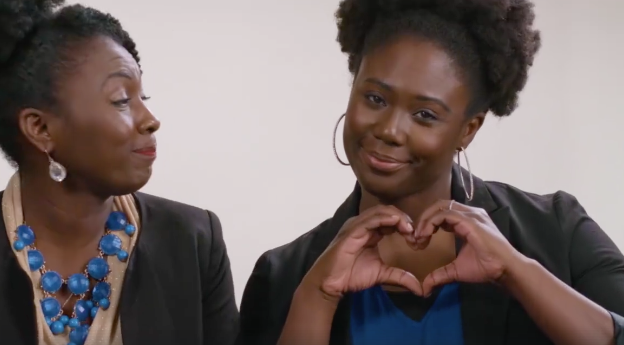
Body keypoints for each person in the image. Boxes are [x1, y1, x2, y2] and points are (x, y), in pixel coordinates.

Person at [238, 0, 624, 344]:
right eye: (375, 98)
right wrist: (317, 299)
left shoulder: (559, 231)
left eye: (425, 115)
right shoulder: (284, 276)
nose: (389, 130)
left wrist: (517, 272)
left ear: (468, 129)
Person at [0, 1, 238, 344]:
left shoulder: (192, 243)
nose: (150, 120)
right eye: (121, 100)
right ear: (40, 128)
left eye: (144, 96)